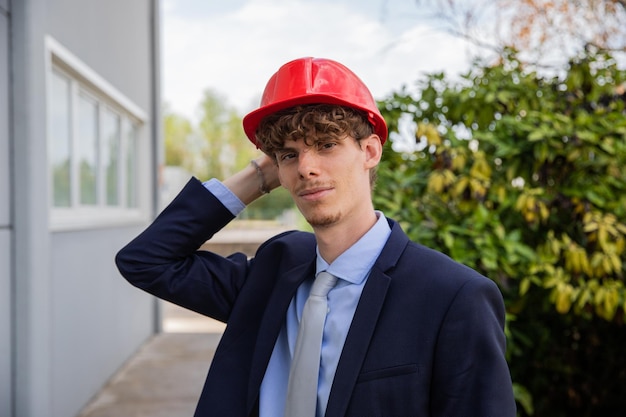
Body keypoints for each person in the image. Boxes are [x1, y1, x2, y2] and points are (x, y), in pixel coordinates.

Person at [116, 57, 516, 417]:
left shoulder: (453, 296)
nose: (306, 168)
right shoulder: (272, 273)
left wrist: (291, 154)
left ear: (370, 151)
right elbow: (146, 260)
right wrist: (258, 176)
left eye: (326, 145)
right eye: (289, 155)